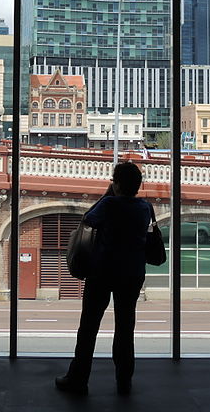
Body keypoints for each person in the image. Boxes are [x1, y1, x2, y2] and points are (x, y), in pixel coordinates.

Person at [55, 161, 152, 396]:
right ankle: (124, 380)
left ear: (116, 183)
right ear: (138, 185)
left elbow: (88, 219)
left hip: (103, 271)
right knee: (125, 326)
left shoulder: (108, 204)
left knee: (89, 326)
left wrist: (109, 194)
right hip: (132, 273)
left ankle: (78, 379)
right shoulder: (145, 207)